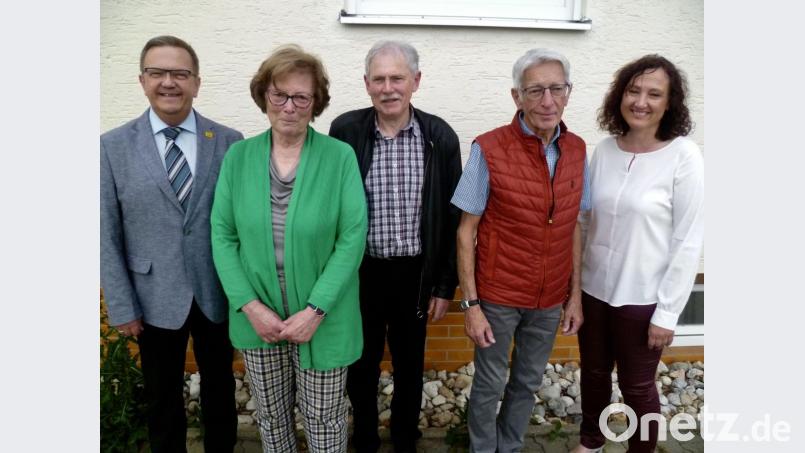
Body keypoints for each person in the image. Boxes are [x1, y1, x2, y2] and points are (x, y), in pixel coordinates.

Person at [210, 44, 368, 453]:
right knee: (271, 416)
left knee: (325, 418)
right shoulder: (238, 157)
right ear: (264, 96)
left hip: (324, 318)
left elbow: (352, 237)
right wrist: (249, 305)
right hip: (257, 319)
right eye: (279, 94)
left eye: (302, 97)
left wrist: (315, 310)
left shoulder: (339, 157)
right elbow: (223, 235)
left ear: (316, 103)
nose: (289, 106)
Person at [100, 35, 241, 452]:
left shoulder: (229, 141)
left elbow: (240, 222)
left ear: (197, 82)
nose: (169, 82)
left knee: (220, 390)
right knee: (161, 397)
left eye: (180, 73)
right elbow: (106, 231)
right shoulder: (112, 147)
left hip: (218, 290)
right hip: (152, 294)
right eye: (157, 72)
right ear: (142, 81)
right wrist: (121, 304)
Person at [451, 48, 591, 453]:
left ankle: (509, 446)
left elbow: (574, 227)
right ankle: (482, 448)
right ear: (517, 97)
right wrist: (471, 305)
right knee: (490, 382)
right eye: (535, 91)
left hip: (549, 298)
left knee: (528, 381)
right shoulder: (489, 149)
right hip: (497, 295)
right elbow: (465, 233)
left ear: (569, 93)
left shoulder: (578, 150)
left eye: (556, 89)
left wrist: (574, 295)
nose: (547, 101)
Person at [328, 40, 462, 453]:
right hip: (360, 272)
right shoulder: (345, 131)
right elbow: (331, 205)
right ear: (367, 84)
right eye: (380, 79)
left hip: (415, 273)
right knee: (361, 361)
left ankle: (405, 436)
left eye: (397, 78)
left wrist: (444, 284)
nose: (389, 88)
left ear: (415, 82)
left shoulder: (438, 135)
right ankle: (364, 434)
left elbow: (451, 216)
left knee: (409, 362)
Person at [571, 55, 704, 453]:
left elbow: (689, 240)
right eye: (633, 90)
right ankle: (592, 440)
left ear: (669, 103)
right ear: (620, 96)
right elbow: (585, 221)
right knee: (593, 374)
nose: (641, 101)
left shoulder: (684, 157)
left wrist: (667, 313)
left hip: (644, 298)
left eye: (654, 94)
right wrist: (574, 290)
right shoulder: (606, 150)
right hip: (595, 292)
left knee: (637, 386)